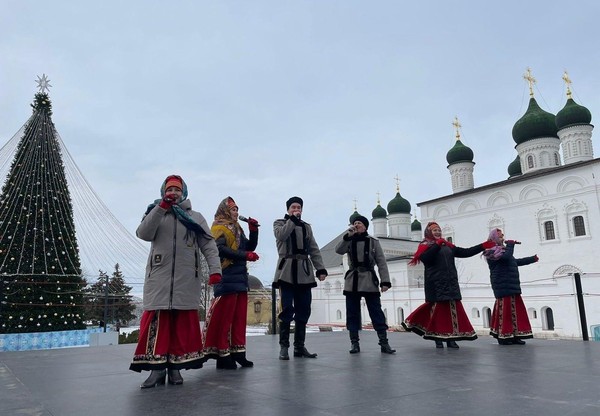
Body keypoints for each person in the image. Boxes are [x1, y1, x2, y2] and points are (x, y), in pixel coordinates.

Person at [129, 175, 222, 388]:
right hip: (159, 277)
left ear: (184, 192)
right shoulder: (155, 213)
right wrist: (161, 207)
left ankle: (175, 369)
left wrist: (215, 270)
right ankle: (156, 371)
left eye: (177, 190)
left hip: (186, 278)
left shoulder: (195, 217)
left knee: (180, 326)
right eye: (170, 189)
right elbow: (143, 233)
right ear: (163, 192)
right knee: (157, 325)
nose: (174, 193)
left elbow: (208, 244)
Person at [402, 221, 495, 349]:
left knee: (452, 312)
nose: (438, 232)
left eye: (439, 230)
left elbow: (465, 252)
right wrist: (436, 245)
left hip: (450, 283)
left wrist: (483, 246)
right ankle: (437, 338)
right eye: (434, 230)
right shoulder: (425, 245)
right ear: (429, 232)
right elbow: (426, 259)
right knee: (437, 313)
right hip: (435, 284)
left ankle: (451, 339)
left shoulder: (448, 246)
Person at [203, 197, 260, 369]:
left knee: (239, 319)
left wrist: (253, 231)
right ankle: (223, 355)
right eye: (233, 209)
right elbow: (220, 250)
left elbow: (249, 247)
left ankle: (238, 353)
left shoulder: (237, 228)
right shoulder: (219, 227)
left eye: (237, 209)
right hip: (227, 277)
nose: (236, 212)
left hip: (240, 278)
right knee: (225, 319)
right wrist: (244, 256)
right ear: (225, 211)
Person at [273, 196, 327, 360]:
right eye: (293, 207)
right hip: (287, 272)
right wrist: (292, 220)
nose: (296, 210)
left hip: (304, 272)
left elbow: (313, 248)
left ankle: (299, 346)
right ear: (288, 209)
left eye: (299, 208)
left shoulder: (306, 227)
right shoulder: (279, 223)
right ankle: (284, 347)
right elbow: (282, 236)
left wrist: (320, 268)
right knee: (286, 310)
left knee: (304, 310)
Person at [334, 215, 395, 354]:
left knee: (376, 312)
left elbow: (381, 262)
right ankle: (354, 343)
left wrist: (385, 281)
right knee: (352, 313)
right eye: (354, 223)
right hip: (352, 280)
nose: (356, 225)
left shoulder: (373, 241)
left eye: (359, 223)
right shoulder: (349, 240)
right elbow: (338, 250)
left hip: (368, 279)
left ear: (365, 226)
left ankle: (384, 343)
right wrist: (347, 235)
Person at [483, 228, 538, 345]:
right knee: (505, 312)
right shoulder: (491, 251)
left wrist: (532, 259)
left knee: (515, 312)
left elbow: (513, 262)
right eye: (500, 236)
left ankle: (515, 335)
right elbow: (506, 258)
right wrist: (511, 245)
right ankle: (503, 336)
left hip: (512, 285)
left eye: (502, 235)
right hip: (502, 285)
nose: (502, 237)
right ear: (494, 238)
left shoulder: (504, 250)